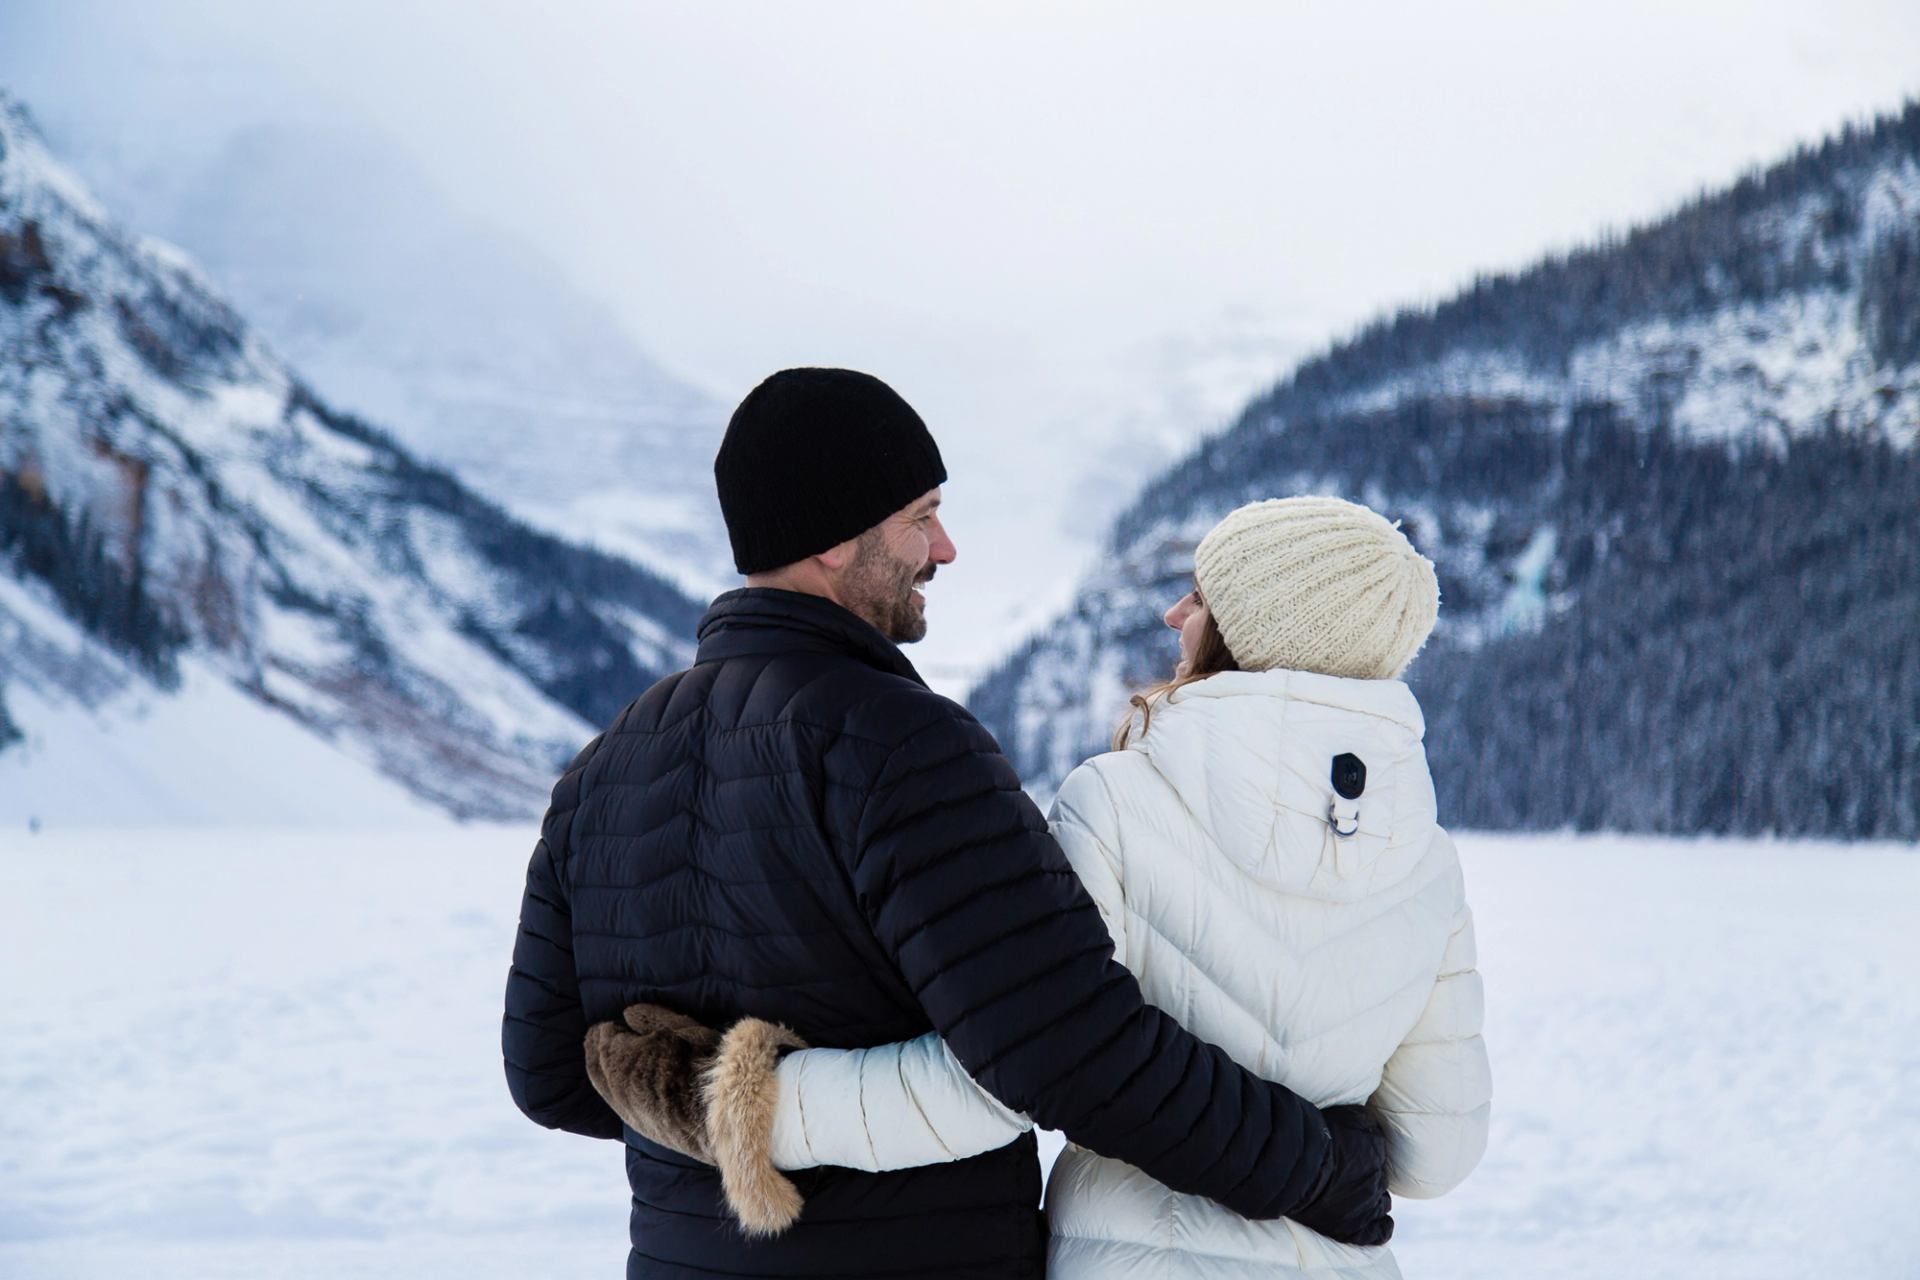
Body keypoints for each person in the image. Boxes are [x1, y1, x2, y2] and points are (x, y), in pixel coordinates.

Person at [503, 369, 1393, 1280]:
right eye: (920, 517)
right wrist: (1317, 1167)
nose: (947, 548)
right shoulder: (900, 744)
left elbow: (547, 1074)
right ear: (832, 543)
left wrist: (718, 1105)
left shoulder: (600, 770)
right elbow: (1072, 1048)